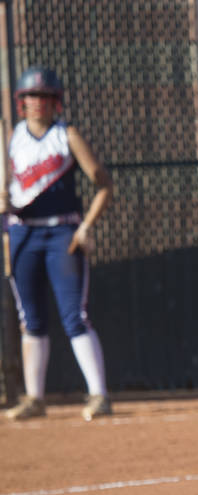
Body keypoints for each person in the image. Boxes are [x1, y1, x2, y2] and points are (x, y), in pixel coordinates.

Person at [3, 66, 114, 422]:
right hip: (23, 231)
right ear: (21, 103)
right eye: (31, 97)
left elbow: (104, 184)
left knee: (74, 315)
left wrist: (86, 228)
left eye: (44, 97)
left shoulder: (66, 135)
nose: (37, 103)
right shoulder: (12, 137)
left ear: (56, 102)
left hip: (62, 232)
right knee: (30, 318)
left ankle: (99, 394)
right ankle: (35, 398)